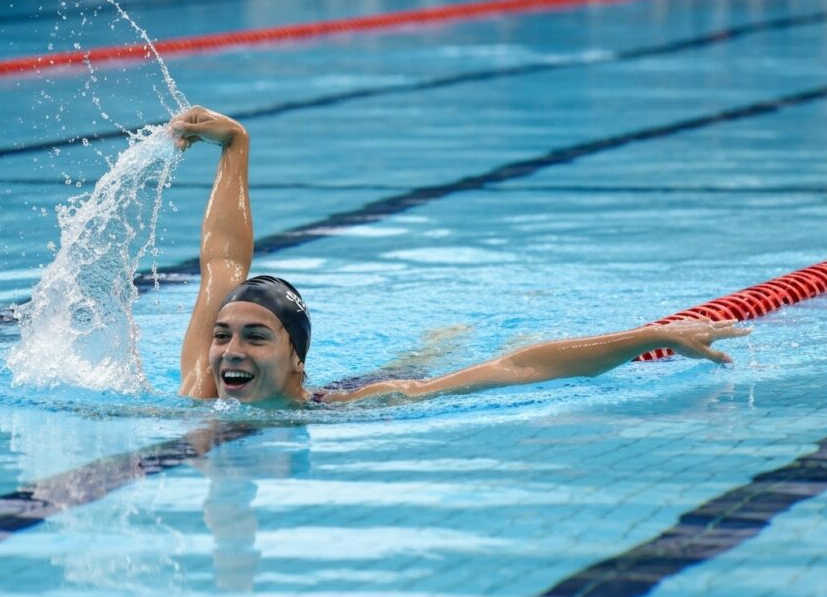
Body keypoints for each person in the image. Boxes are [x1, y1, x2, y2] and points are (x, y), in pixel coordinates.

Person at [171, 105, 750, 405]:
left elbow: (519, 368)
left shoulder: (357, 407)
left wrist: (654, 336)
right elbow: (222, 267)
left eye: (254, 335)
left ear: (297, 358)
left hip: (368, 382)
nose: (227, 350)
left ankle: (441, 341)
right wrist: (235, 145)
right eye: (223, 335)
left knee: (427, 360)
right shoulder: (202, 388)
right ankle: (437, 339)